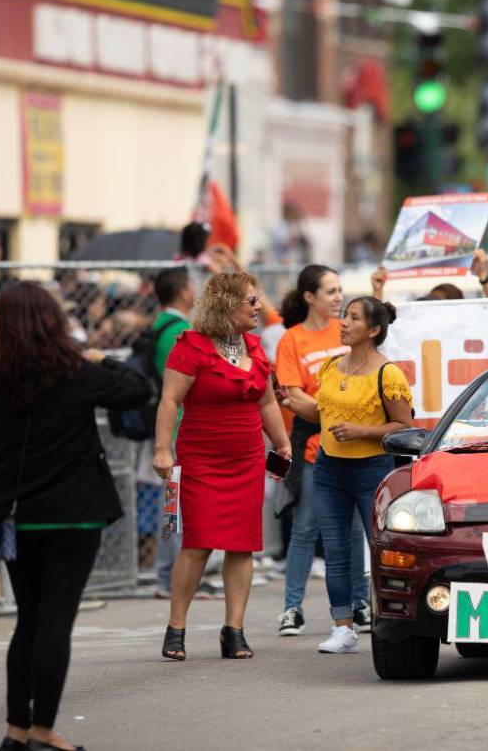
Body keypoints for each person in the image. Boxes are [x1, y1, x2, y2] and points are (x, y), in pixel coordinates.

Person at [0, 284, 150, 751]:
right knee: (56, 620)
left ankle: (15, 731)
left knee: (28, 619)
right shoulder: (76, 372)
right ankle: (43, 729)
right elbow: (138, 390)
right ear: (54, 324)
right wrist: (103, 359)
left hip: (16, 516)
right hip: (74, 514)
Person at [153, 272, 292, 661]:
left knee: (241, 545)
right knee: (197, 544)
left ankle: (234, 630)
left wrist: (281, 443)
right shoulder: (191, 346)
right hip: (201, 457)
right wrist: (163, 450)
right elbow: (169, 401)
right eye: (250, 300)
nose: (258, 307)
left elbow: (266, 402)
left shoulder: (254, 345)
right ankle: (176, 629)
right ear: (226, 304)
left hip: (246, 456)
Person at [281, 297, 413, 654]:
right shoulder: (331, 367)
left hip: (371, 470)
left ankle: (391, 620)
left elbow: (404, 426)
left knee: (381, 548)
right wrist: (295, 403)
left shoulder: (389, 374)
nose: (343, 322)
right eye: (344, 316)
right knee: (336, 550)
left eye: (353, 318)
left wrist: (362, 431)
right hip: (327, 467)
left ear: (372, 330)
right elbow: (321, 412)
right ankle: (343, 627)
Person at [274, 265, 368, 639]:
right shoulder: (292, 340)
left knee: (354, 529)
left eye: (340, 290)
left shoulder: (346, 331)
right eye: (330, 291)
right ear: (309, 296)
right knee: (305, 527)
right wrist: (332, 411)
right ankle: (292, 609)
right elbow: (291, 394)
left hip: (353, 443)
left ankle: (360, 605)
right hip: (313, 448)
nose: (338, 297)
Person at [150, 268, 195, 601]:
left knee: (171, 504)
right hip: (178, 429)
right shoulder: (179, 330)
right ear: (182, 292)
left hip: (172, 429)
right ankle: (168, 575)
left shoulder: (158, 325)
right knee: (173, 506)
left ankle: (168, 574)